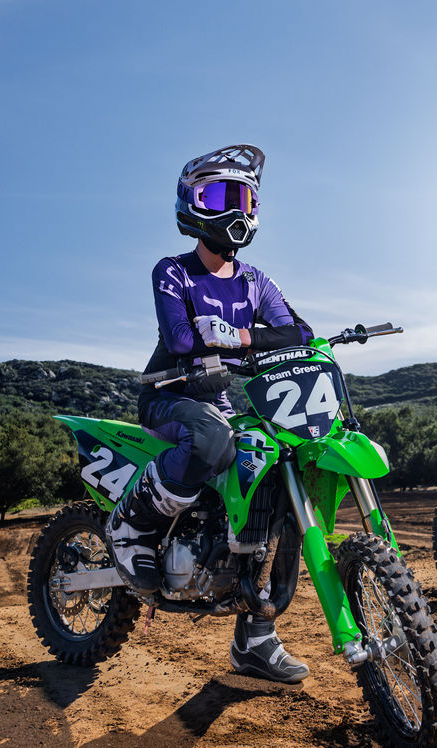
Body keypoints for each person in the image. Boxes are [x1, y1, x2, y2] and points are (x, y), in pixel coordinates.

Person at [105, 144, 314, 682]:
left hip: (219, 402)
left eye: (245, 198)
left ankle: (256, 637)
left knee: (271, 475)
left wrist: (240, 336)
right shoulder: (172, 271)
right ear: (192, 204)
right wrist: (243, 339)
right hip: (169, 395)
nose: (236, 209)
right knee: (212, 439)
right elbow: (179, 338)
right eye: (221, 196)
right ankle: (132, 527)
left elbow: (300, 332)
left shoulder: (255, 281)